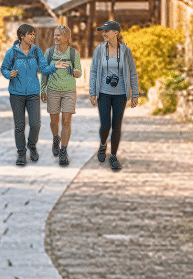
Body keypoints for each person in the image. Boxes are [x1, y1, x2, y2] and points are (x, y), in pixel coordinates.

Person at [88, 20, 140, 172]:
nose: (103, 34)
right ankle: (103, 144)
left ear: (115, 33)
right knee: (105, 125)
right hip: (103, 93)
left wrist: (135, 93)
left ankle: (114, 156)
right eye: (102, 31)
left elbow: (132, 73)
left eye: (106, 31)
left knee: (117, 126)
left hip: (120, 94)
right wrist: (93, 91)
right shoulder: (99, 49)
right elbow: (94, 71)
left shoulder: (125, 51)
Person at [1, 24, 47, 166]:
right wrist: (9, 74)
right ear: (22, 36)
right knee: (19, 125)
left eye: (34, 34)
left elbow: (44, 67)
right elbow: (4, 68)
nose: (33, 37)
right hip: (16, 94)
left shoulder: (36, 51)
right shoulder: (12, 53)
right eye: (30, 34)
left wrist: (54, 67)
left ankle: (32, 146)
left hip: (33, 93)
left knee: (35, 124)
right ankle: (21, 153)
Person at [41, 25, 81, 166]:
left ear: (66, 37)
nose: (55, 37)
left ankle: (63, 151)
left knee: (66, 121)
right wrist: (43, 89)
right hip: (53, 90)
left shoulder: (73, 54)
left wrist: (76, 73)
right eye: (55, 35)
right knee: (54, 121)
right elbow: (45, 71)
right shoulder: (49, 53)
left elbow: (78, 72)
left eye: (58, 35)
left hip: (69, 90)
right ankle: (55, 138)